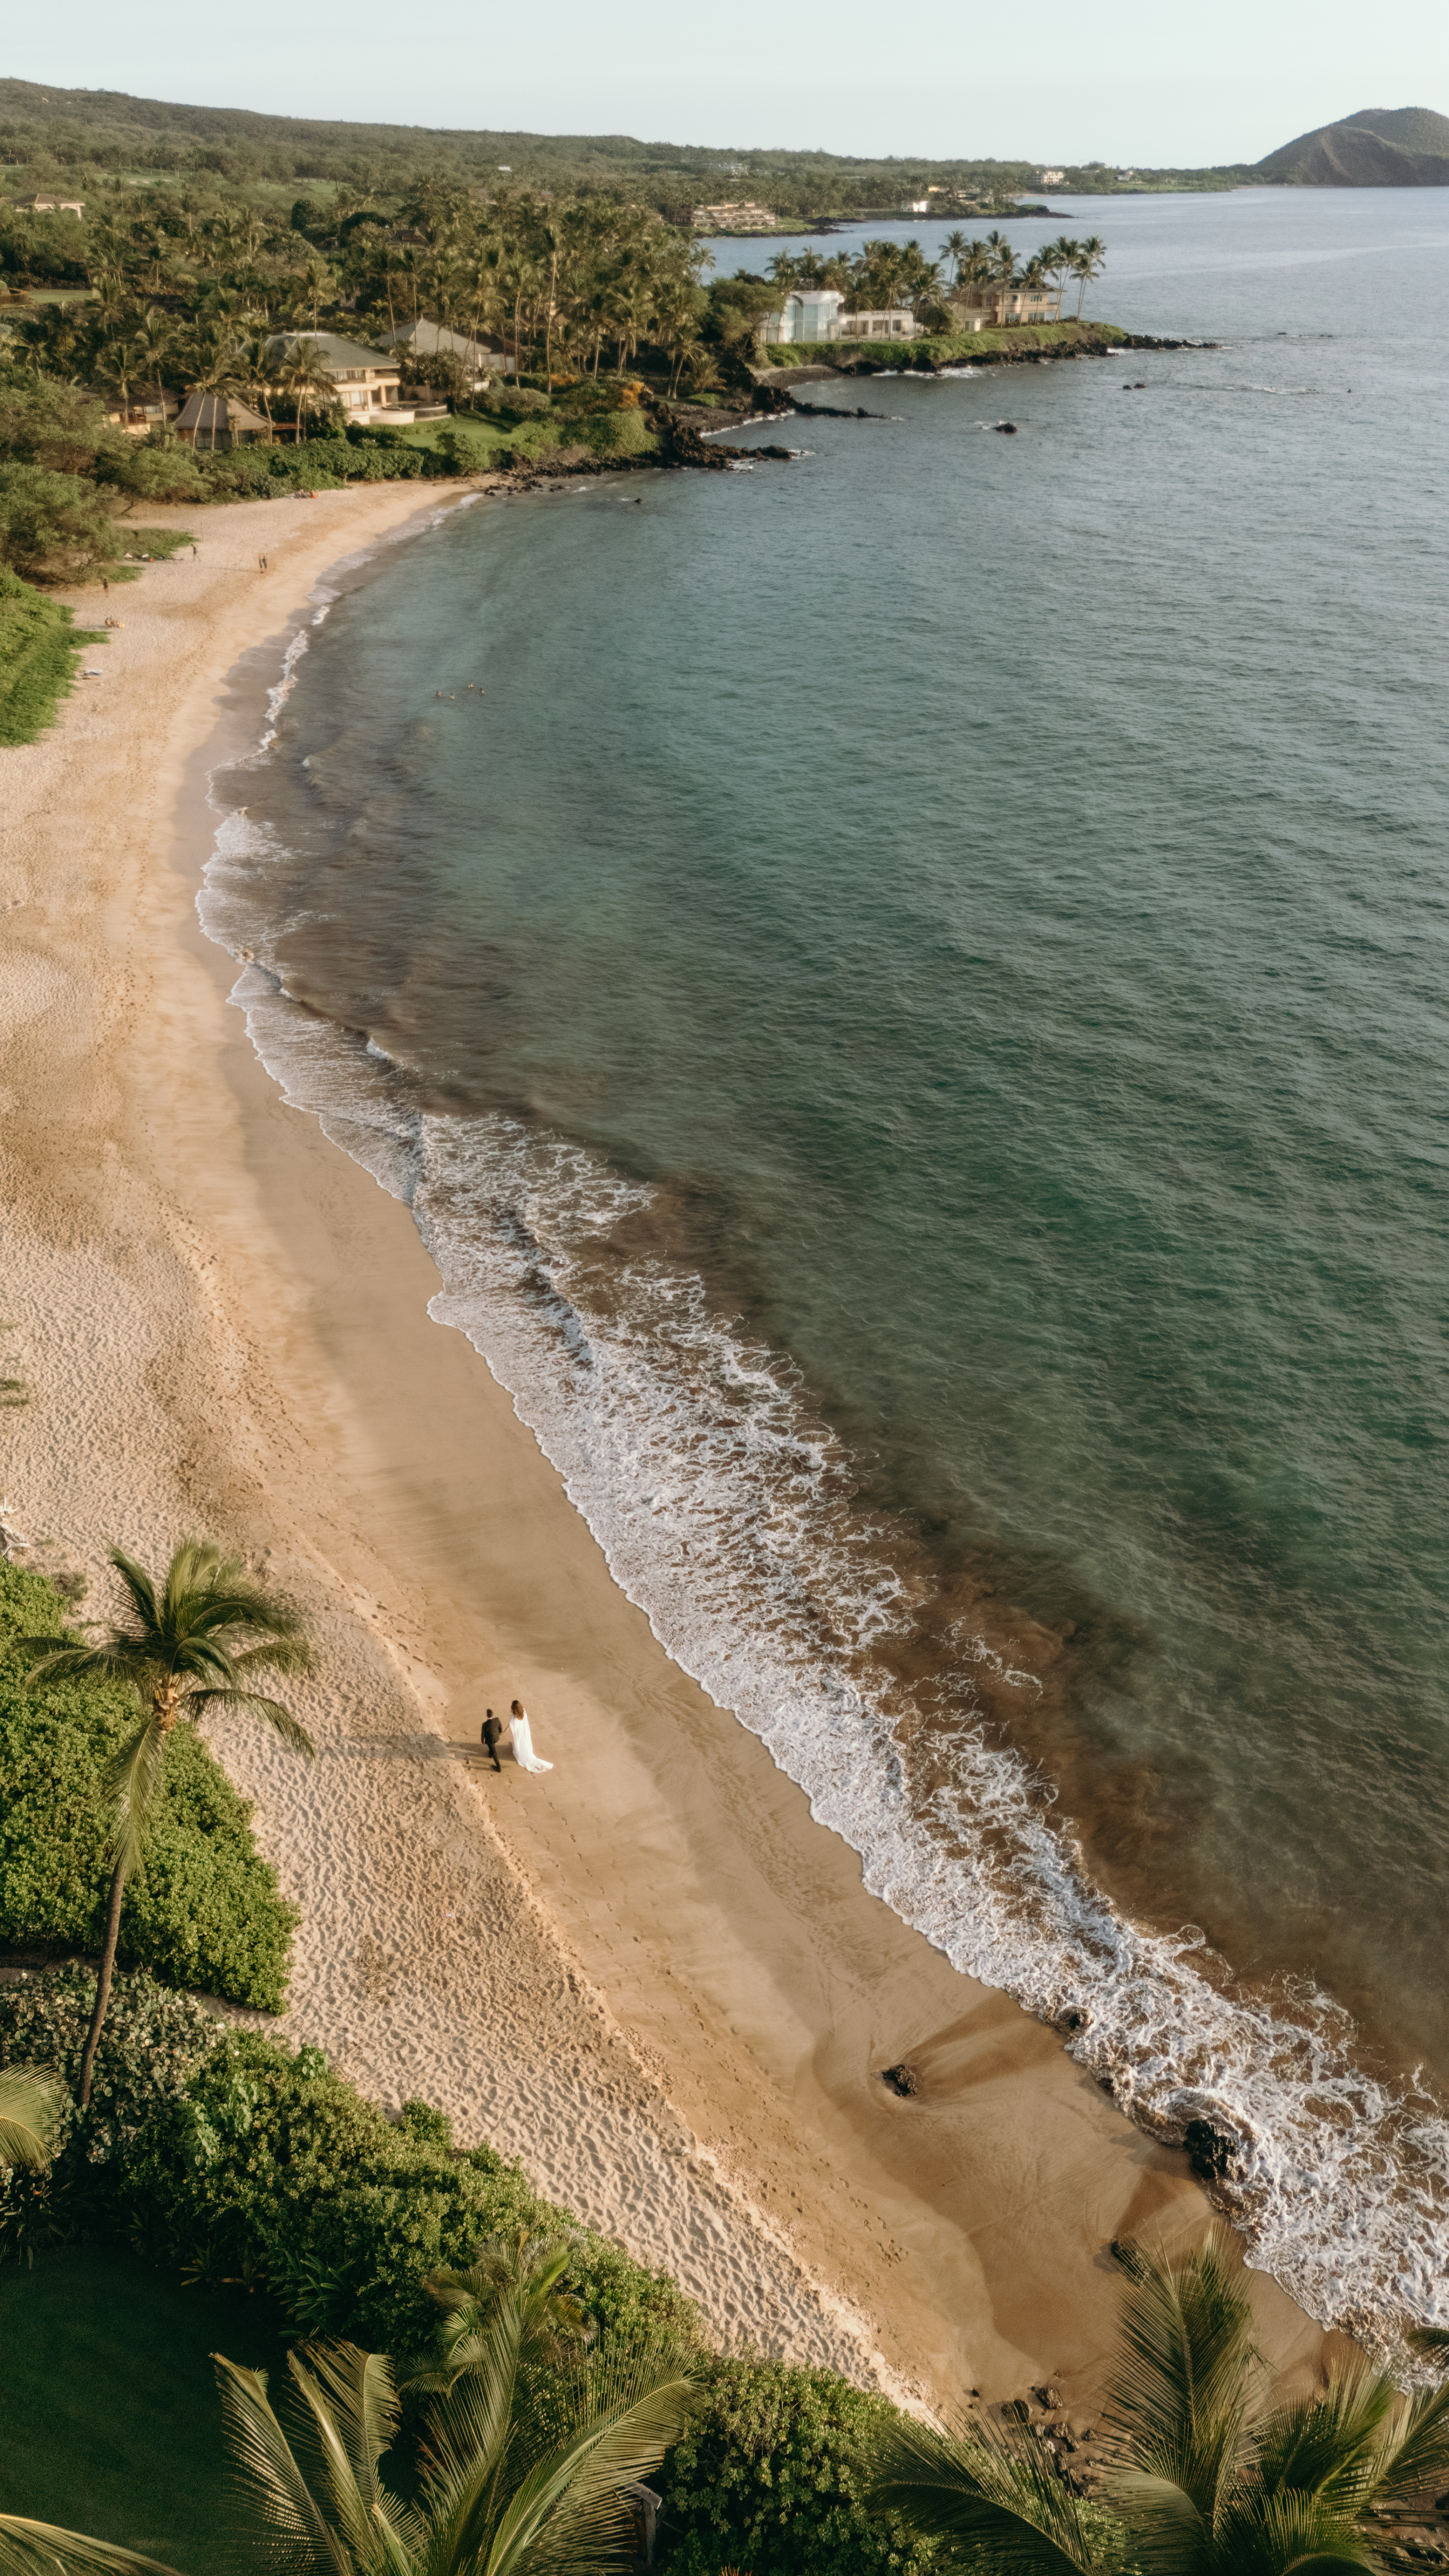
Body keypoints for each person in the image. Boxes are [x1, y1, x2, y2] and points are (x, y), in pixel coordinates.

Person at [509, 1698, 552, 1773]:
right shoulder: (524, 1713)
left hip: (518, 1733)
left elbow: (511, 1726)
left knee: (519, 1744)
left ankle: (522, 1754)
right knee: (525, 1744)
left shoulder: (513, 1717)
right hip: (524, 1732)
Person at [481, 1708, 503, 1773]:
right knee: (492, 1748)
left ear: (487, 1716)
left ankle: (499, 1768)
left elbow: (483, 1734)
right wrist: (500, 1733)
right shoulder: (497, 1720)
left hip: (490, 1740)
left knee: (494, 1752)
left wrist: (483, 1741)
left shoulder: (485, 1725)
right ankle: (490, 1754)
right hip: (496, 1738)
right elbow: (501, 1729)